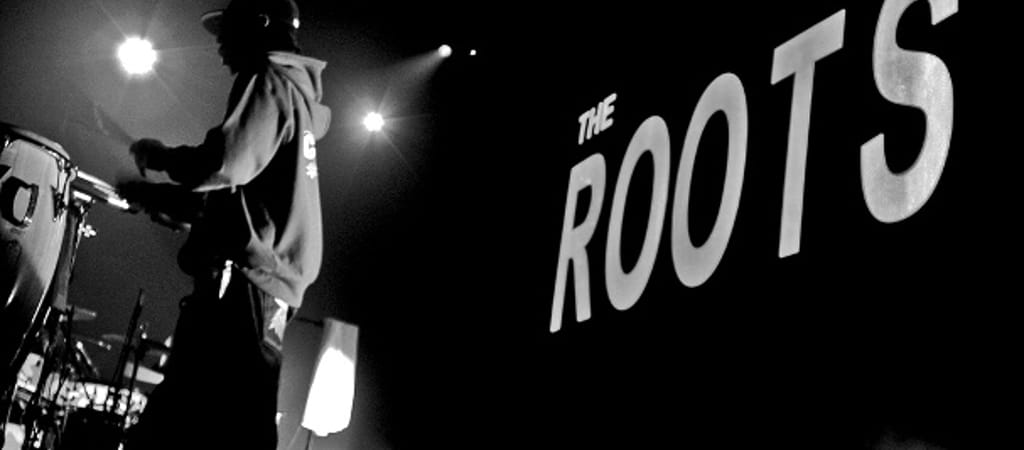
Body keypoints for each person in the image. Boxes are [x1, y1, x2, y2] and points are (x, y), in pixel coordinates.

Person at [119, 0, 331, 448]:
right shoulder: (296, 99)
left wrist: (159, 157)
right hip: (266, 287)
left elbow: (222, 165)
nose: (219, 48)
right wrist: (158, 197)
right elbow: (236, 202)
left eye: (227, 32)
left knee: (199, 422)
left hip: (244, 286)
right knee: (220, 421)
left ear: (259, 24)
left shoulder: (269, 80)